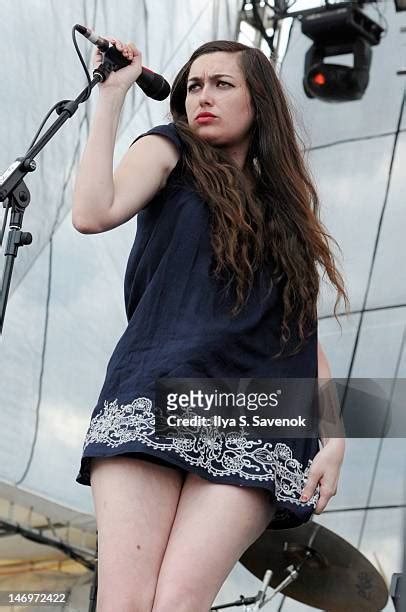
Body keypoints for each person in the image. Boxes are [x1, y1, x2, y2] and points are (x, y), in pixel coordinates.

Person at [73, 36, 348, 612]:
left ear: (259, 102)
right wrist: (112, 95)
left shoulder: (288, 212)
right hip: (156, 390)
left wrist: (335, 437)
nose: (204, 96)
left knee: (178, 602)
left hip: (253, 411)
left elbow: (301, 333)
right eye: (194, 85)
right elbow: (93, 212)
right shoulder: (169, 150)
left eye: (222, 84)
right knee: (123, 602)